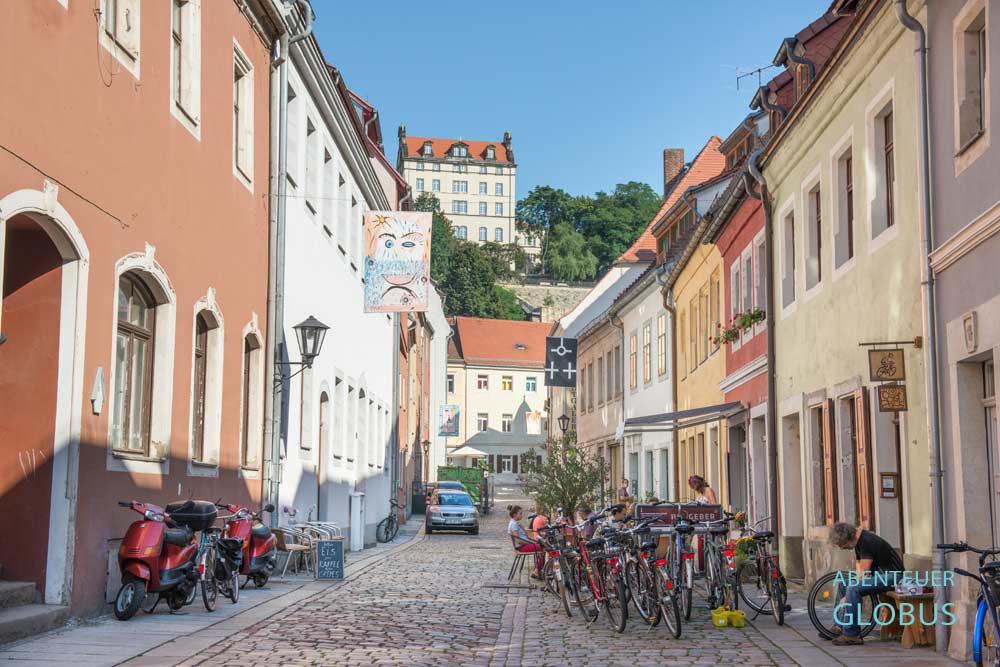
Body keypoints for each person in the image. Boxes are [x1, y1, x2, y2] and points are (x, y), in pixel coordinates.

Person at [828, 522, 904, 646]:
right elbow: (859, 571)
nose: (842, 548)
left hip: (893, 576)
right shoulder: (858, 542)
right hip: (880, 576)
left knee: (853, 589)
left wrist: (847, 597)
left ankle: (851, 634)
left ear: (846, 538)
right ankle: (840, 625)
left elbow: (864, 573)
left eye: (841, 545)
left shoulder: (866, 541)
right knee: (844, 583)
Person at [507, 505, 543, 579]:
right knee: (545, 548)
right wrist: (530, 543)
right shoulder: (513, 524)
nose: (522, 515)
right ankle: (536, 571)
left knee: (543, 546)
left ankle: (538, 570)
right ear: (514, 515)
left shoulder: (516, 523)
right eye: (520, 513)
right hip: (522, 547)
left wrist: (522, 527)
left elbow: (526, 535)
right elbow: (519, 541)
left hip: (524, 545)